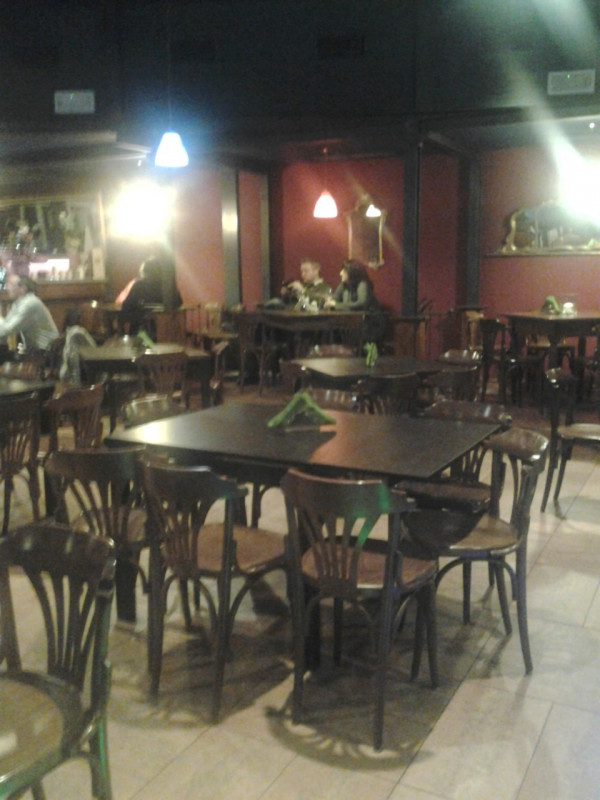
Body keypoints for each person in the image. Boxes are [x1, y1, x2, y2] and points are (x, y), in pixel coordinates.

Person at [324, 259, 386, 342]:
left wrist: (335, 305)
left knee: (338, 336)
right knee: (330, 334)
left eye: (343, 271)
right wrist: (329, 302)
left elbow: (361, 304)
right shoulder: (343, 284)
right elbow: (334, 299)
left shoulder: (362, 284)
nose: (340, 273)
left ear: (351, 272)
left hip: (369, 324)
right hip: (351, 324)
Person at [118, 256, 182, 336]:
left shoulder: (139, 285)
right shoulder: (168, 285)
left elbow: (126, 306)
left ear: (144, 271)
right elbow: (179, 302)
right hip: (167, 329)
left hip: (141, 331)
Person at [0, 273, 58, 353]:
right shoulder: (19, 303)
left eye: (11, 284)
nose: (7, 288)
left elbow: (7, 330)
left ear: (23, 289)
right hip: (36, 350)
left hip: (46, 351)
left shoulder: (29, 303)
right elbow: (5, 327)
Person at [59, 307, 97, 385]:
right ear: (79, 318)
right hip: (87, 375)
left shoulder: (69, 332)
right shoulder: (78, 332)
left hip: (68, 375)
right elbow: (94, 353)